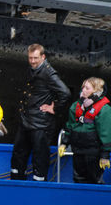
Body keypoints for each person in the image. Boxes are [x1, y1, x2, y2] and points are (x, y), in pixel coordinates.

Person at [11, 44, 71, 181]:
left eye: (36, 58)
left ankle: (38, 186)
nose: (32, 61)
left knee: (40, 157)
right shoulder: (32, 69)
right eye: (30, 58)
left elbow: (66, 93)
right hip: (26, 120)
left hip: (41, 124)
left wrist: (54, 108)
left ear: (43, 57)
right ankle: (16, 182)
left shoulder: (49, 73)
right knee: (18, 153)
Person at [58, 77, 111, 184]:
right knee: (78, 179)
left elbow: (106, 133)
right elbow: (70, 125)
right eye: (83, 87)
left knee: (94, 180)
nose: (83, 90)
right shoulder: (76, 106)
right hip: (78, 150)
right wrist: (64, 143)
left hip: (93, 152)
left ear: (96, 91)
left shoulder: (104, 109)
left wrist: (104, 156)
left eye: (87, 88)